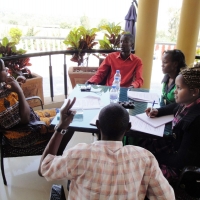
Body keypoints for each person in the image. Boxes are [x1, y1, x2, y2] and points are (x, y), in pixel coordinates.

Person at [38, 100, 175, 200]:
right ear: (128, 128)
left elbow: (44, 169)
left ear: (97, 125)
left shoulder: (78, 154)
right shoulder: (145, 158)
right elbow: (166, 197)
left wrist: (61, 126)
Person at [145, 64, 200, 183]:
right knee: (144, 143)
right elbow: (176, 105)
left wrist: (152, 156)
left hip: (182, 167)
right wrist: (158, 111)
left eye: (179, 88)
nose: (175, 91)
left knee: (142, 169)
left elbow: (181, 160)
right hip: (176, 148)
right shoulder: (190, 102)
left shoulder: (195, 120)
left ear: (194, 91)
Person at [0, 59, 57, 151]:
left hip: (32, 120)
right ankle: (55, 155)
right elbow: (25, 120)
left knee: (62, 112)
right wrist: (19, 91)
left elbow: (13, 103)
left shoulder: (1, 85)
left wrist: (18, 84)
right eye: (3, 69)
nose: (7, 70)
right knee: (67, 122)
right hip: (26, 134)